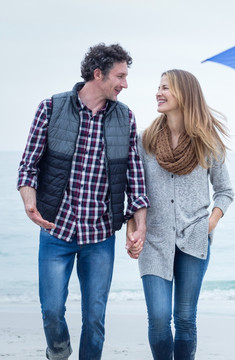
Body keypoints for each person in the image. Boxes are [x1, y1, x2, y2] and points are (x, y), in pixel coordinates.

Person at [17, 43, 149, 359]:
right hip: (55, 229)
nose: (125, 84)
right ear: (97, 73)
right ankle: (58, 351)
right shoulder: (51, 108)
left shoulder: (125, 118)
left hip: (100, 235)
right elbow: (28, 166)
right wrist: (29, 202)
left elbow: (136, 178)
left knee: (95, 318)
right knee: (51, 309)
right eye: (120, 76)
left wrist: (139, 225)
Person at [126, 69, 234, 360]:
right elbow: (133, 190)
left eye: (166, 88)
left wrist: (209, 224)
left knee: (185, 319)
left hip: (195, 240)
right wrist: (131, 228)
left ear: (185, 94)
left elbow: (225, 191)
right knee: (159, 319)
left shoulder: (207, 141)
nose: (158, 93)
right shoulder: (144, 141)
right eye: (158, 87)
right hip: (155, 240)